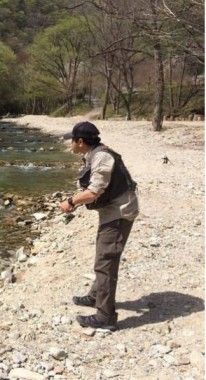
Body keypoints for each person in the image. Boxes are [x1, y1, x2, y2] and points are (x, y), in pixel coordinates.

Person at [59, 121, 139, 331]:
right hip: (112, 211)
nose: (70, 144)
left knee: (105, 261)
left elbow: (95, 191)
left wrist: (71, 202)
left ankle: (105, 316)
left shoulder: (102, 157)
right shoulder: (93, 154)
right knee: (104, 256)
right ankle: (96, 297)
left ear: (81, 142)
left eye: (72, 140)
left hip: (119, 212)